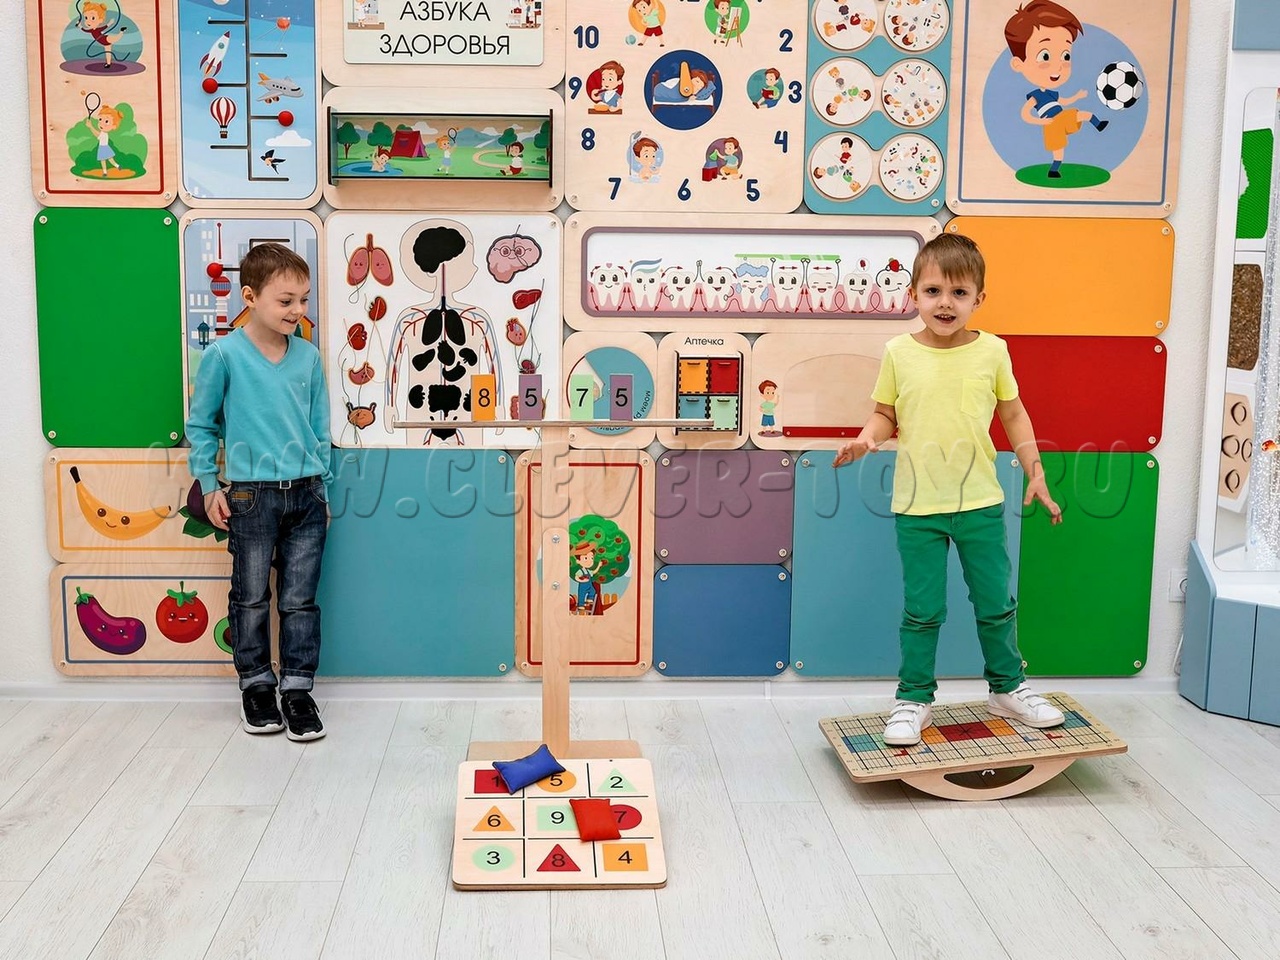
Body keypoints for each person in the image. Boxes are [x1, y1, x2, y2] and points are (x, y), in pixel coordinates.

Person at [832, 233, 1065, 746]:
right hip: (918, 508)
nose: (945, 303)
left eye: (959, 293)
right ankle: (914, 698)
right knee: (922, 610)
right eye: (934, 291)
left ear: (979, 298)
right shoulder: (898, 352)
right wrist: (866, 440)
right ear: (913, 294)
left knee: (995, 603)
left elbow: (1014, 414)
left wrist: (1036, 472)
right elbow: (885, 414)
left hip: (980, 502)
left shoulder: (993, 351)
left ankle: (1008, 687)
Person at [186, 244, 332, 741]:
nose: (297, 310)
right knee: (250, 598)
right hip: (250, 497)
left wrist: (324, 489)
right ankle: (255, 686)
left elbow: (320, 428)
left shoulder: (308, 357)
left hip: (307, 495)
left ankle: (298, 690)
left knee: (299, 600)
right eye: (286, 301)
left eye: (304, 300)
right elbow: (201, 425)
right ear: (249, 297)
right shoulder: (224, 355)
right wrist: (209, 486)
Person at [1006, 0, 1108, 179]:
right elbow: (1025, 114)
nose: (1058, 66)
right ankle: (1054, 169)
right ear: (1018, 64)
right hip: (1051, 123)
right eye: (1045, 56)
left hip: (1062, 116)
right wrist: (1041, 122)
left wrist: (1077, 96)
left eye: (1065, 56)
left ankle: (1099, 124)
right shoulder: (1035, 95)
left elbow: (1064, 101)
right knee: (1058, 151)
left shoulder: (1052, 93)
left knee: (1082, 114)